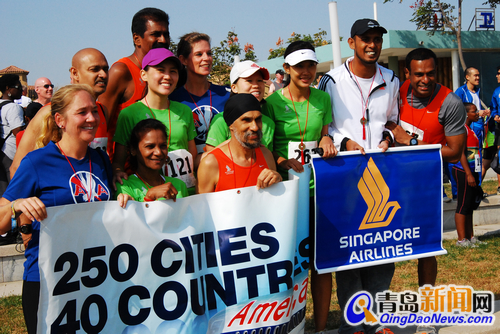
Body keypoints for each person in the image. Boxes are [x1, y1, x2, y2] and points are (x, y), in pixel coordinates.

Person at [0, 85, 130, 334]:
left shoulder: (101, 160)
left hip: (95, 278)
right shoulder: (37, 162)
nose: (92, 118)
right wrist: (17, 205)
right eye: (82, 112)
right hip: (48, 283)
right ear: (59, 120)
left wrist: (121, 201)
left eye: (94, 110)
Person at [317, 18, 398, 334]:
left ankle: (377, 323)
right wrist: (343, 142)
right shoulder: (331, 81)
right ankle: (353, 325)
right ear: (351, 42)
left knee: (381, 247)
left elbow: (393, 120)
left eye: (377, 39)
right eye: (366, 39)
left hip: (382, 174)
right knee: (349, 253)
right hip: (344, 176)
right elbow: (325, 126)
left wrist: (389, 137)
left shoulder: (391, 78)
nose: (372, 44)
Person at [386, 48, 466, 285]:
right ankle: (373, 316)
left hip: (425, 186)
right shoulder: (395, 93)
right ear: (407, 72)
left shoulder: (450, 102)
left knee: (426, 249)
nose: (425, 80)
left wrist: (410, 141)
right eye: (419, 74)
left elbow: (454, 153)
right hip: (389, 181)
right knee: (380, 246)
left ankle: (426, 314)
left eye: (430, 74)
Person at [10, 48, 110, 177]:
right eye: (95, 69)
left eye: (106, 69)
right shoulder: (49, 112)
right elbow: (18, 167)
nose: (103, 75)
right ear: (75, 73)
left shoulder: (102, 111)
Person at [113, 48, 197, 194]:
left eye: (173, 71)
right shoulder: (129, 114)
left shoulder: (185, 111)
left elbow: (192, 155)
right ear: (143, 75)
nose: (167, 76)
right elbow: (118, 164)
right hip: (149, 195)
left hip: (185, 192)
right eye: (160, 70)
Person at [99, 7, 170, 159]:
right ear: (137, 39)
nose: (163, 40)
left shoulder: (167, 73)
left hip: (157, 169)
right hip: (125, 174)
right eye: (155, 34)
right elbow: (101, 125)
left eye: (166, 34)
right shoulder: (121, 71)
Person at [198, 94, 281, 193]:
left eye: (258, 119)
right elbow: (203, 207)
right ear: (231, 125)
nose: (255, 127)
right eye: (246, 120)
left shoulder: (266, 155)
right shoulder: (211, 163)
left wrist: (278, 182)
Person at [170, 32, 230, 154]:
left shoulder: (227, 95)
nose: (206, 58)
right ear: (183, 60)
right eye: (199, 54)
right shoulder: (173, 100)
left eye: (209, 53)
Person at [205, 60, 275, 152]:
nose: (256, 85)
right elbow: (211, 156)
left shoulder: (269, 123)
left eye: (259, 80)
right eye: (249, 80)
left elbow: (268, 156)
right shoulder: (221, 120)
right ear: (234, 87)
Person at [116, 119, 188, 201]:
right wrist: (149, 197)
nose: (158, 152)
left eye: (163, 146)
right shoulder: (124, 186)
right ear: (133, 150)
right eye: (150, 146)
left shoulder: (179, 185)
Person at [453, 103, 486, 248]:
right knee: (463, 205)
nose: (477, 113)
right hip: (463, 171)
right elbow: (460, 153)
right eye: (474, 111)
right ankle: (461, 240)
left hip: (472, 170)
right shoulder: (461, 129)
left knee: (470, 206)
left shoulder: (470, 129)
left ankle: (470, 236)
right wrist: (468, 174)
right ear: (466, 114)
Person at [0, 74, 24, 196]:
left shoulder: (1, 105)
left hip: (1, 152)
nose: (21, 89)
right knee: (16, 190)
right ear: (8, 89)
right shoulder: (13, 107)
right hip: (11, 152)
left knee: (3, 191)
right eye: (18, 87)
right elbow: (18, 132)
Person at [483, 65, 500, 192]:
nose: (497, 76)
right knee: (494, 158)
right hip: (497, 130)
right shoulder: (496, 91)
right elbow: (493, 108)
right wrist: (495, 116)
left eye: (499, 73)